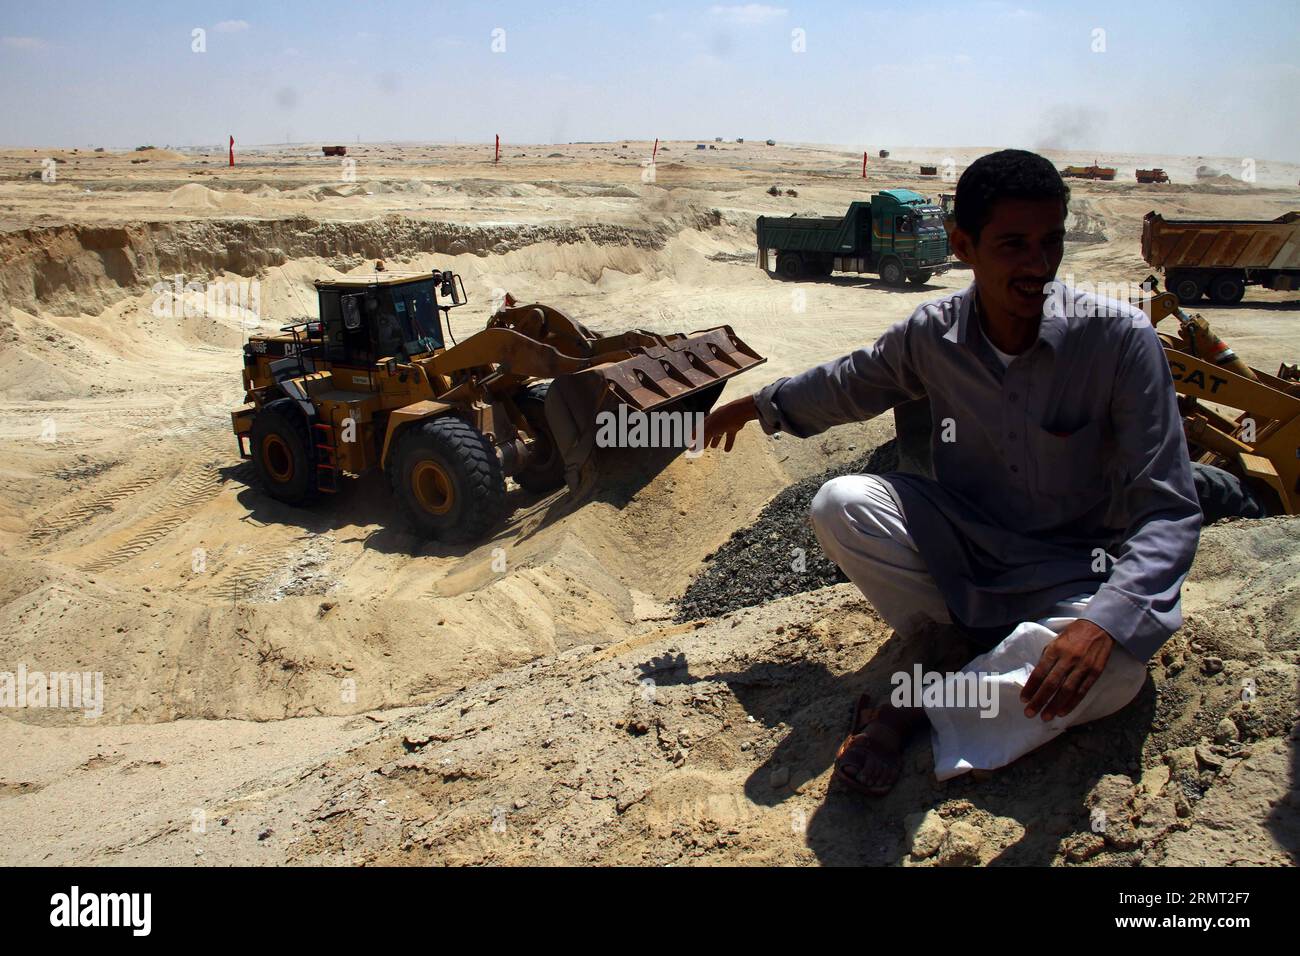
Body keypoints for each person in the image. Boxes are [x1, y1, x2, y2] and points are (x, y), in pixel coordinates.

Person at [703, 149, 1202, 795]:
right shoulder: (933, 335)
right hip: (965, 545)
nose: (1036, 265)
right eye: (1013, 244)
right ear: (964, 245)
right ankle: (954, 642)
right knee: (839, 503)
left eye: (1049, 242)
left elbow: (1168, 508)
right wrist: (753, 407)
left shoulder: (1119, 341)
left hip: (1074, 570)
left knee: (1116, 675)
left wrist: (1106, 622)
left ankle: (908, 711)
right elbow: (851, 384)